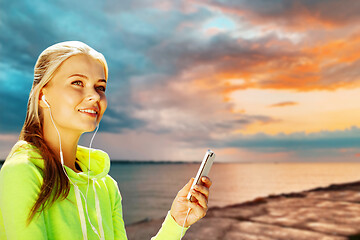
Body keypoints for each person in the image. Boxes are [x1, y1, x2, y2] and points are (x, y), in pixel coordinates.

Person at [0, 41, 212, 240]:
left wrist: (176, 222)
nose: (94, 95)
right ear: (42, 95)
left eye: (100, 87)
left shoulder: (106, 186)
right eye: (77, 82)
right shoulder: (23, 172)